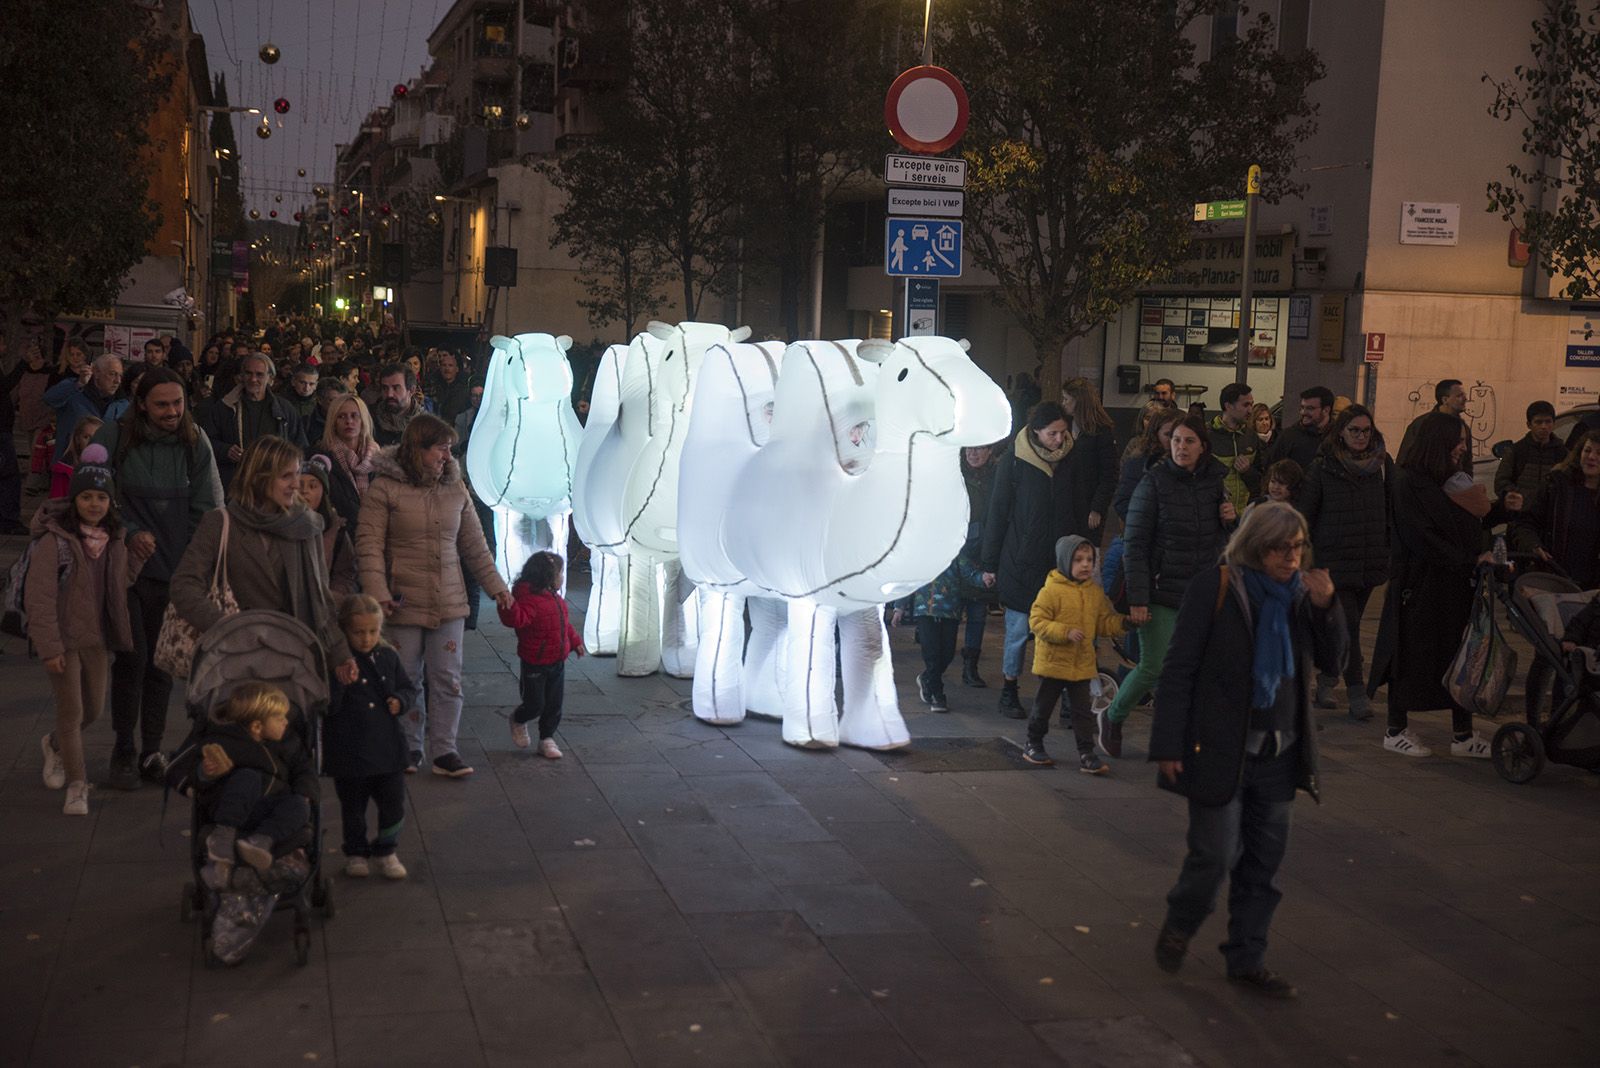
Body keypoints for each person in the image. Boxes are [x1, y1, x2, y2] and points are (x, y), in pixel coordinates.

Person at [1149, 502, 1345, 1000]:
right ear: (1257, 548)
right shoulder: (1216, 588)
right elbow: (1178, 670)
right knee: (1213, 856)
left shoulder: (1300, 598)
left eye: (1298, 547)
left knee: (1263, 865)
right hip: (1220, 749)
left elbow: (1333, 662)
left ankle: (1247, 958)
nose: (1292, 558)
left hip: (1280, 754)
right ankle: (1181, 921)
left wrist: (1327, 608)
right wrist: (1169, 744)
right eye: (1282, 548)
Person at [356, 414, 511, 777]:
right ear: (418, 448)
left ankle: (445, 750)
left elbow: (474, 546)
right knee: (405, 679)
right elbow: (368, 544)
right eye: (440, 448)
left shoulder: (456, 489)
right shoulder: (385, 488)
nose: (447, 455)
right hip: (401, 601)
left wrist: (497, 588)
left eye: (449, 448)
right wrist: (377, 593)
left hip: (449, 601)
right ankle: (408, 746)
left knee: (448, 678)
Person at [93, 368, 224, 790]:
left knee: (162, 664)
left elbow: (206, 508)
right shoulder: (113, 439)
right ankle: (123, 749)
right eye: (162, 404)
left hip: (175, 573)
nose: (172, 412)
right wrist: (128, 532)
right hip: (125, 572)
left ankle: (151, 750)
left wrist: (192, 563)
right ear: (142, 404)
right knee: (131, 659)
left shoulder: (194, 443)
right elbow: (93, 498)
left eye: (178, 403)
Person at [1370, 413, 1515, 758]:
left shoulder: (1452, 480)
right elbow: (1420, 535)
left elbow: (1468, 523)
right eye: (1459, 440)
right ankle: (1395, 729)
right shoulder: (1409, 483)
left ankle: (1462, 735)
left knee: (1458, 656)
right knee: (1410, 656)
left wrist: (1499, 514)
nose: (1464, 447)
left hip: (1453, 586)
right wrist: (1466, 559)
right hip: (1419, 587)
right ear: (1439, 442)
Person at [170, 436, 356, 694]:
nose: (296, 485)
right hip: (236, 662)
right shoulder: (221, 523)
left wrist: (340, 654)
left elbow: (319, 597)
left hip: (294, 661)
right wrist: (227, 627)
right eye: (286, 476)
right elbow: (184, 585)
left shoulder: (306, 525)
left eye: (296, 474)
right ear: (259, 477)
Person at [1101, 415, 1236, 756]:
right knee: (1154, 665)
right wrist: (1139, 598)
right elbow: (1135, 544)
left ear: (1203, 446)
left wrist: (1230, 523)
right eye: (1176, 440)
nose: (1181, 447)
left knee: (1198, 667)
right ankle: (1113, 716)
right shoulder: (1154, 482)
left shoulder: (1215, 482)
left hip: (1200, 591)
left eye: (1189, 441)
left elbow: (1224, 542)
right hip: (1159, 591)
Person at [28, 446, 139, 816]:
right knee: (72, 711)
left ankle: (55, 745)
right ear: (74, 500)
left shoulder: (114, 540)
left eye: (102, 497)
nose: (94, 504)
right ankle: (77, 785)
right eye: (87, 497)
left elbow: (119, 586)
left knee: (93, 710)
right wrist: (49, 647)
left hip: (96, 639)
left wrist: (137, 557)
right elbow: (40, 597)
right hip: (63, 640)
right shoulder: (55, 541)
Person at [1297, 405, 1392, 721]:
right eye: (1355, 430)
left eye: (1367, 430)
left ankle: (1326, 680)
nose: (1362, 436)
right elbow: (1305, 516)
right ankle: (1357, 694)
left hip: (1369, 560)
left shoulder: (1381, 465)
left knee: (1342, 629)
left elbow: (1391, 509)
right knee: (1349, 627)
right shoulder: (1323, 468)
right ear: (1341, 432)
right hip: (1333, 562)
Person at [981, 402, 1074, 718]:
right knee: (1019, 632)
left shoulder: (1070, 459)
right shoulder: (1015, 461)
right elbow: (998, 511)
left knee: (1062, 634)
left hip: (1060, 564)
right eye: (1052, 434)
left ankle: (1062, 699)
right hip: (1022, 560)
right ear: (1036, 432)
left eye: (1063, 433)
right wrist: (989, 563)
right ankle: (1009, 690)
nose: (1059, 440)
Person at [325, 595, 417, 879]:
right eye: (358, 632)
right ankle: (355, 852)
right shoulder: (337, 662)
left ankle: (387, 849)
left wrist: (400, 701)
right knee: (353, 806)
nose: (366, 639)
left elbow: (409, 688)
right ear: (345, 632)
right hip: (349, 748)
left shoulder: (388, 657)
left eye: (373, 631)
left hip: (386, 746)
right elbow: (327, 706)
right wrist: (340, 684)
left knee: (394, 802)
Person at [192, 683, 318, 890]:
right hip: (232, 808)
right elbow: (186, 770)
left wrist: (305, 792)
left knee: (300, 804)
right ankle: (223, 835)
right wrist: (205, 772)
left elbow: (305, 769)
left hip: (270, 810)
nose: (286, 723)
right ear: (257, 726)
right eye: (280, 719)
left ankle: (260, 841)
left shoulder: (289, 743)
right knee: (248, 777)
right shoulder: (224, 740)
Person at [1022, 536, 1129, 774]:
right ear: (1064, 561)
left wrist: (1124, 624)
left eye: (1090, 559)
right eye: (1079, 560)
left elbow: (1103, 623)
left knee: (1082, 711)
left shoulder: (1094, 592)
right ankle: (1033, 743)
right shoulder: (1051, 590)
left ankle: (1086, 753)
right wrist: (1064, 632)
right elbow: (1037, 621)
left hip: (1082, 663)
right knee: (1044, 705)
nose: (1086, 565)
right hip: (1054, 662)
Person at [498, 551, 584, 757]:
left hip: (557, 661)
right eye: (560, 573)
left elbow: (564, 625)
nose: (562, 577)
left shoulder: (555, 599)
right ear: (547, 576)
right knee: (535, 704)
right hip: (535, 662)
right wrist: (507, 605)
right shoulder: (528, 599)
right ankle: (518, 719)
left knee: (554, 704)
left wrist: (575, 642)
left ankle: (547, 738)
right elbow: (515, 620)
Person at [201, 353, 307, 492]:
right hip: (236, 483)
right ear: (241, 376)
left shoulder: (285, 409)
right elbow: (206, 442)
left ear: (270, 378)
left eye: (259, 374)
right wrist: (225, 450)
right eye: (248, 373)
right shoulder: (225, 408)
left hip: (274, 484)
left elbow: (300, 446)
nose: (253, 379)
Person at [1055, 377, 1119, 541]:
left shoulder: (1101, 431)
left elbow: (1110, 474)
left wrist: (1097, 508)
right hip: (1068, 502)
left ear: (1079, 401)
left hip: (1088, 503)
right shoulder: (1065, 426)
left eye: (1067, 399)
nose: (1064, 403)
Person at [958, 443, 1000, 687]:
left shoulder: (998, 476)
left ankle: (970, 665)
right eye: (969, 449)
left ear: (990, 451)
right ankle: (937, 663)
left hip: (985, 550)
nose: (973, 454)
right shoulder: (955, 475)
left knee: (977, 612)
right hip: (957, 549)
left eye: (979, 448)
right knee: (951, 614)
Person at [313, 393, 379, 529]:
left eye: (354, 415)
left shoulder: (379, 458)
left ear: (363, 420)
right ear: (333, 422)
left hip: (375, 531)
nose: (349, 421)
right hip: (340, 534)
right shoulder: (321, 458)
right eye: (341, 416)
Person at [44, 354, 125, 463]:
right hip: (69, 465)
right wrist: (79, 384)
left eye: (120, 375)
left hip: (103, 468)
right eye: (112, 374)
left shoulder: (121, 403)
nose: (117, 381)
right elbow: (49, 398)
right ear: (96, 373)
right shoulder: (73, 389)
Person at [298, 456, 359, 595]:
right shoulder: (282, 525)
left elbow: (346, 572)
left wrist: (332, 597)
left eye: (312, 486)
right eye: (299, 485)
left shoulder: (336, 529)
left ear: (323, 491)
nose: (304, 491)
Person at [1496, 401, 1564, 513]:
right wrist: (1521, 498)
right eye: (1538, 422)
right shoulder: (1517, 450)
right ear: (1529, 424)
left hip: (1551, 516)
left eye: (1548, 422)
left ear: (1554, 423)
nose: (1544, 426)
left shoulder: (1561, 452)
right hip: (1521, 516)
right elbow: (1501, 482)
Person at [1208, 382, 1262, 517]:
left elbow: (1262, 479)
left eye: (1251, 404)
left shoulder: (1251, 437)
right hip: (1215, 515)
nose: (1250, 410)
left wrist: (1247, 471)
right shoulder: (1207, 435)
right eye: (1245, 405)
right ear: (1228, 406)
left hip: (1244, 516)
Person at [1397, 379, 1468, 466]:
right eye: (1459, 396)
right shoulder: (1422, 424)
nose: (1465, 399)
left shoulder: (1463, 427)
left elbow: (1466, 464)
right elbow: (1404, 460)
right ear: (1445, 400)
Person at [1265, 386, 1334, 470]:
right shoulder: (1288, 436)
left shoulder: (1338, 436)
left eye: (1310, 408)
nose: (1303, 412)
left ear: (1326, 410)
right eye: (1302, 407)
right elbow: (1271, 470)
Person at [371, 363, 426, 447]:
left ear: (411, 390)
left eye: (396, 388)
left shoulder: (424, 425)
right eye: (385, 388)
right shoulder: (370, 418)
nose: (389, 394)